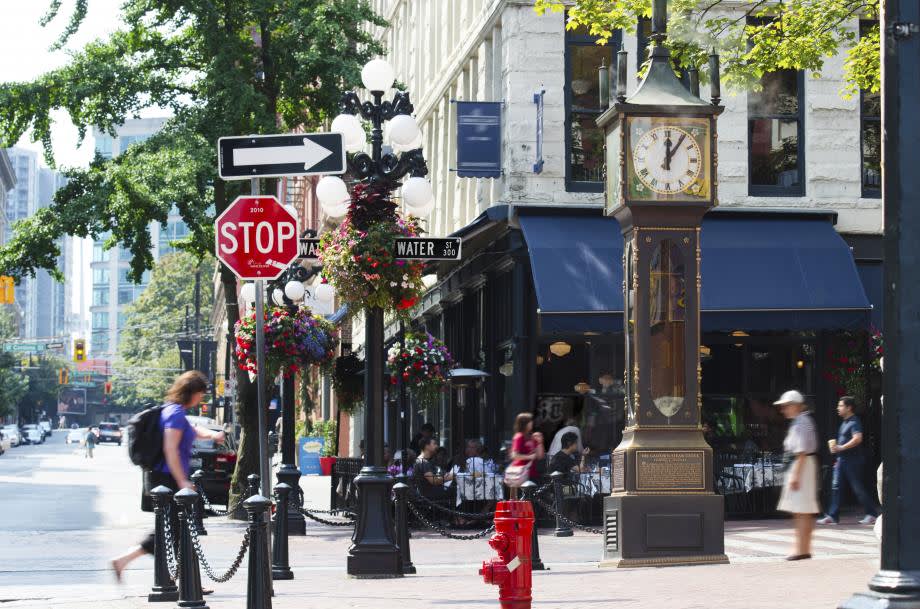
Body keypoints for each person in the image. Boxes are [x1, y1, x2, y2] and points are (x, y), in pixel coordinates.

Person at [110, 371, 225, 582]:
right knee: (169, 530)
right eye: (200, 394)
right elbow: (170, 449)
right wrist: (182, 481)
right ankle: (182, 581)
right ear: (191, 392)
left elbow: (194, 430)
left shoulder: (174, 411)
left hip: (167, 478)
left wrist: (213, 434)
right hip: (166, 479)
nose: (201, 399)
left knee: (175, 530)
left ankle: (185, 580)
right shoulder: (174, 414)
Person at [817, 396, 880, 525]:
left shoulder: (854, 421)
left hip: (853, 461)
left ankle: (872, 513)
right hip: (842, 461)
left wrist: (841, 447)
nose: (838, 408)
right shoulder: (845, 422)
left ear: (849, 407)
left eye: (840, 406)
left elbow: (858, 438)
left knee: (857, 488)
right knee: (836, 487)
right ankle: (833, 516)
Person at [774, 390, 820, 561]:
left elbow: (801, 451)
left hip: (801, 464)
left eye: (786, 406)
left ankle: (801, 549)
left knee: (801, 510)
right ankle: (803, 548)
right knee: (803, 510)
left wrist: (795, 476)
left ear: (795, 406)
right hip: (803, 464)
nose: (783, 410)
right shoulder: (801, 421)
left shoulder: (801, 422)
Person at [508, 412, 545, 499]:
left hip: (532, 473)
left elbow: (540, 456)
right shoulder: (519, 437)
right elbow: (514, 455)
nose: (532, 423)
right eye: (530, 421)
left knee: (533, 500)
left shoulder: (532, 437)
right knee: (524, 500)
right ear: (525, 423)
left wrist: (540, 442)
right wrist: (529, 457)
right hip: (521, 474)